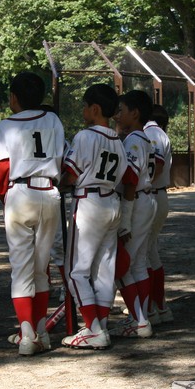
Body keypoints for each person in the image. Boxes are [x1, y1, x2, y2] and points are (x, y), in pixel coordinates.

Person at [0, 72, 65, 356]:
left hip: (20, 193)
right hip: (49, 192)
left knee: (21, 270)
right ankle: (41, 331)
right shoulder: (53, 120)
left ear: (13, 98)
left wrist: (6, 197)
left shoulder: (5, 125)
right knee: (41, 269)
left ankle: (27, 334)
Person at [59, 84, 127, 350]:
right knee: (103, 270)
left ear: (95, 109)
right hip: (112, 201)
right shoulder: (117, 140)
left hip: (89, 202)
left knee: (75, 270)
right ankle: (100, 327)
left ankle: (92, 329)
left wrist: (60, 183)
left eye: (86, 105)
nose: (83, 110)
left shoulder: (85, 137)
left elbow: (72, 175)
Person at [110, 89, 156, 339]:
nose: (117, 115)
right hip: (145, 199)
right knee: (138, 264)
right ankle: (141, 318)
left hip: (135, 201)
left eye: (121, 110)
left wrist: (125, 221)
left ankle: (138, 320)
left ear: (135, 113)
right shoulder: (143, 138)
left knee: (124, 265)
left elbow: (130, 180)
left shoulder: (134, 140)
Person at [143, 104, 173, 324]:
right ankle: (159, 306)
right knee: (151, 250)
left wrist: (144, 184)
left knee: (143, 253)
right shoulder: (159, 132)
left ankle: (152, 308)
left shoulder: (150, 133)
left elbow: (157, 163)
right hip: (158, 194)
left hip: (152, 194)